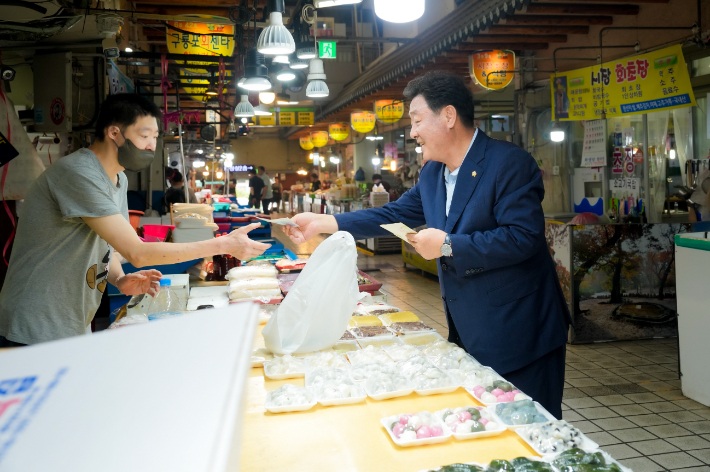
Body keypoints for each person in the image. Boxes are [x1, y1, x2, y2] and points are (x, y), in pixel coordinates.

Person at [283, 71, 571, 418]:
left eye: (417, 119)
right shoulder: (433, 174)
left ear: (448, 116)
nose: (413, 132)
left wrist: (449, 244)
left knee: (533, 428)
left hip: (522, 333)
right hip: (470, 328)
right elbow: (394, 213)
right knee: (488, 425)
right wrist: (324, 222)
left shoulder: (508, 163)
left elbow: (522, 237)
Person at [0, 93, 270, 347]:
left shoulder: (118, 178)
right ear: (114, 133)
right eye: (144, 135)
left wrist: (118, 279)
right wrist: (222, 245)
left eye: (155, 136)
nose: (151, 145)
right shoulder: (78, 173)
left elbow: (107, 244)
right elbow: (137, 252)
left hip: (70, 320)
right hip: (33, 324)